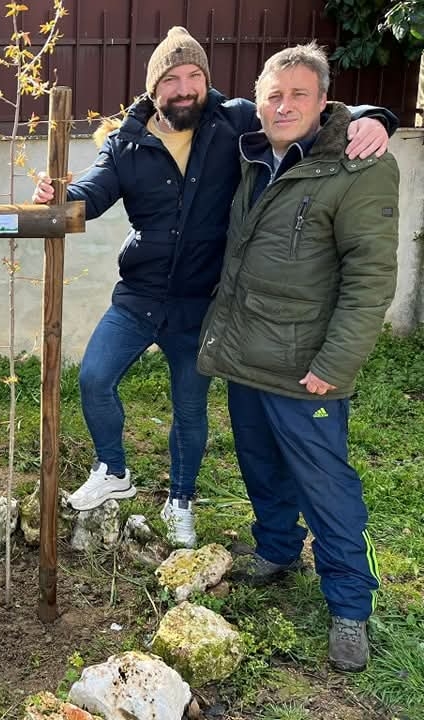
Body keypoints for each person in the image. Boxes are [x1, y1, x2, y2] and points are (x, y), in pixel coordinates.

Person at [31, 26, 395, 547]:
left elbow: (303, 109)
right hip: (139, 296)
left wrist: (375, 118)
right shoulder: (127, 141)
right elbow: (92, 191)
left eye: (194, 75)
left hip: (201, 304)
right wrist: (60, 195)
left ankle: (182, 499)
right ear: (154, 89)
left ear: (207, 80)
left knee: (189, 408)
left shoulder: (236, 119)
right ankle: (113, 469)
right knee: (94, 377)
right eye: (172, 79)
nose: (185, 87)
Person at [197, 43, 397, 673]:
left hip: (307, 367)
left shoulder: (358, 165)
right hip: (248, 353)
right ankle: (278, 549)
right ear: (258, 100)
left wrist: (336, 364)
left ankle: (350, 606)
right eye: (273, 94)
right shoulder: (255, 153)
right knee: (260, 465)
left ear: (324, 102)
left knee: (326, 485)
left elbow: (370, 279)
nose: (283, 106)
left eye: (299, 94)